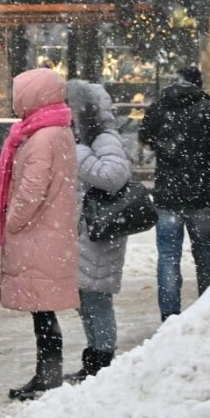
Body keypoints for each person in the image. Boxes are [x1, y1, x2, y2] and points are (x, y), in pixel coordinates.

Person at [0, 68, 78, 401]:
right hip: (48, 231)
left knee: (44, 311)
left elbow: (32, 189)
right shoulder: (53, 129)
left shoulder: (43, 136)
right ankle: (47, 373)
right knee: (43, 310)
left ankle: (48, 375)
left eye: (19, 93)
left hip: (39, 232)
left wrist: (12, 220)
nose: (15, 101)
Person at [138, 66, 210, 321]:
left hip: (168, 195)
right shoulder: (209, 111)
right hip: (203, 195)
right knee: (204, 255)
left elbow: (144, 137)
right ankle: (206, 311)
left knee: (168, 256)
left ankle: (169, 315)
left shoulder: (159, 109)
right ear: (199, 85)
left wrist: (164, 148)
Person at [64, 80, 132, 382]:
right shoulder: (87, 138)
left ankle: (102, 358)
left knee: (96, 296)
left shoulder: (104, 138)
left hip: (101, 232)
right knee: (84, 296)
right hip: (86, 231)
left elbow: (113, 176)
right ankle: (94, 355)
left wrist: (78, 155)